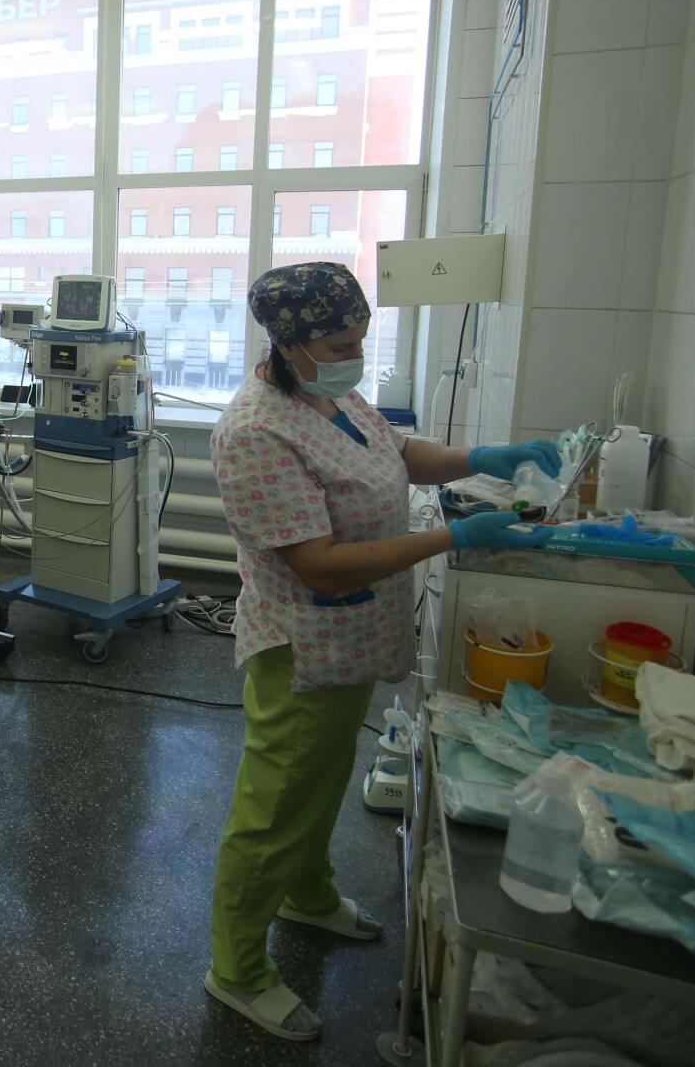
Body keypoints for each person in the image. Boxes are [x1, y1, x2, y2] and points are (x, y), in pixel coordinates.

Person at [204, 262, 559, 1042]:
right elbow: (318, 565)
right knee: (274, 804)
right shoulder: (255, 432)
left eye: (361, 341)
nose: (355, 355)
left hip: (352, 636)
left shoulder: (329, 394)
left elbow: (396, 451)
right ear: (289, 345)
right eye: (340, 345)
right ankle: (237, 967)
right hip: (301, 645)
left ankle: (306, 892)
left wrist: (481, 459)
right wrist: (452, 536)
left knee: (323, 780)